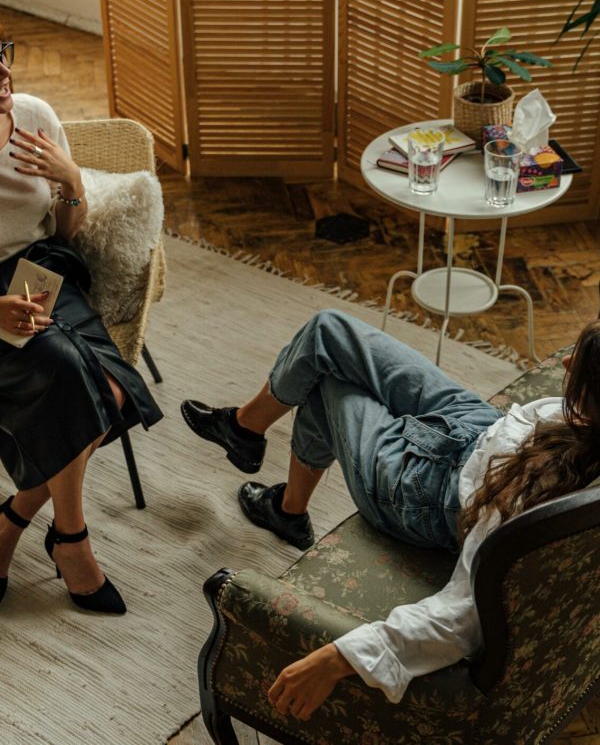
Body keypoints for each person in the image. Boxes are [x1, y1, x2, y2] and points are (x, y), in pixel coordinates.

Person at [181, 308, 600, 719]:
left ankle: (284, 502)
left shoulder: (535, 497)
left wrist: (338, 657)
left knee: (323, 384)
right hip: (483, 427)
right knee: (328, 331)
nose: (565, 362)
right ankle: (245, 431)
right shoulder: (583, 424)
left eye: (580, 367)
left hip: (423, 489)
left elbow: (465, 615)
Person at [0, 34, 163, 614]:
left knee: (109, 389)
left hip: (42, 271)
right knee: (86, 381)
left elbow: (66, 232)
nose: (1, 70)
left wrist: (71, 182)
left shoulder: (36, 116)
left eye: (0, 50)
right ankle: (72, 539)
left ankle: (17, 519)